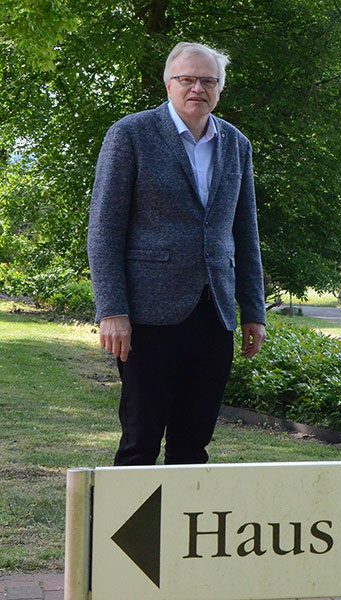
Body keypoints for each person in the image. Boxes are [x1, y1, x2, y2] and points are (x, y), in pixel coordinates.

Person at [87, 41, 267, 466]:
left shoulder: (236, 144)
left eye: (208, 81)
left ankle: (184, 532)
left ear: (220, 89)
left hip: (214, 314)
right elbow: (104, 230)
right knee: (140, 442)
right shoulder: (130, 135)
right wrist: (112, 310)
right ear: (168, 84)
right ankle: (129, 532)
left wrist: (253, 310)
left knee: (193, 446)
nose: (197, 88)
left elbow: (246, 232)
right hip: (148, 315)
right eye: (186, 79)